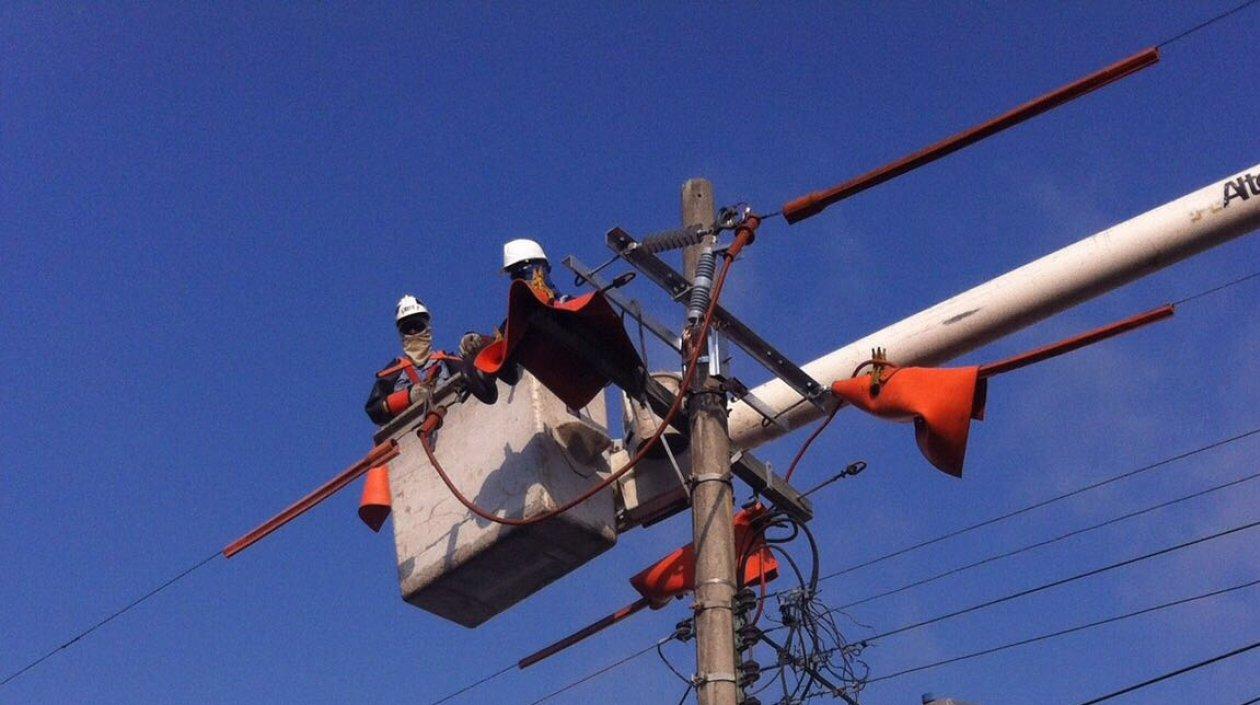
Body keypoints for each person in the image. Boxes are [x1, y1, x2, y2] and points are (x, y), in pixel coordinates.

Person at [364, 295, 449, 425]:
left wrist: (471, 343)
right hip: (410, 434)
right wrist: (408, 396)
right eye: (408, 328)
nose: (413, 331)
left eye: (417, 325)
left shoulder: (445, 361)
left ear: (427, 327)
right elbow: (374, 409)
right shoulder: (394, 370)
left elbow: (474, 376)